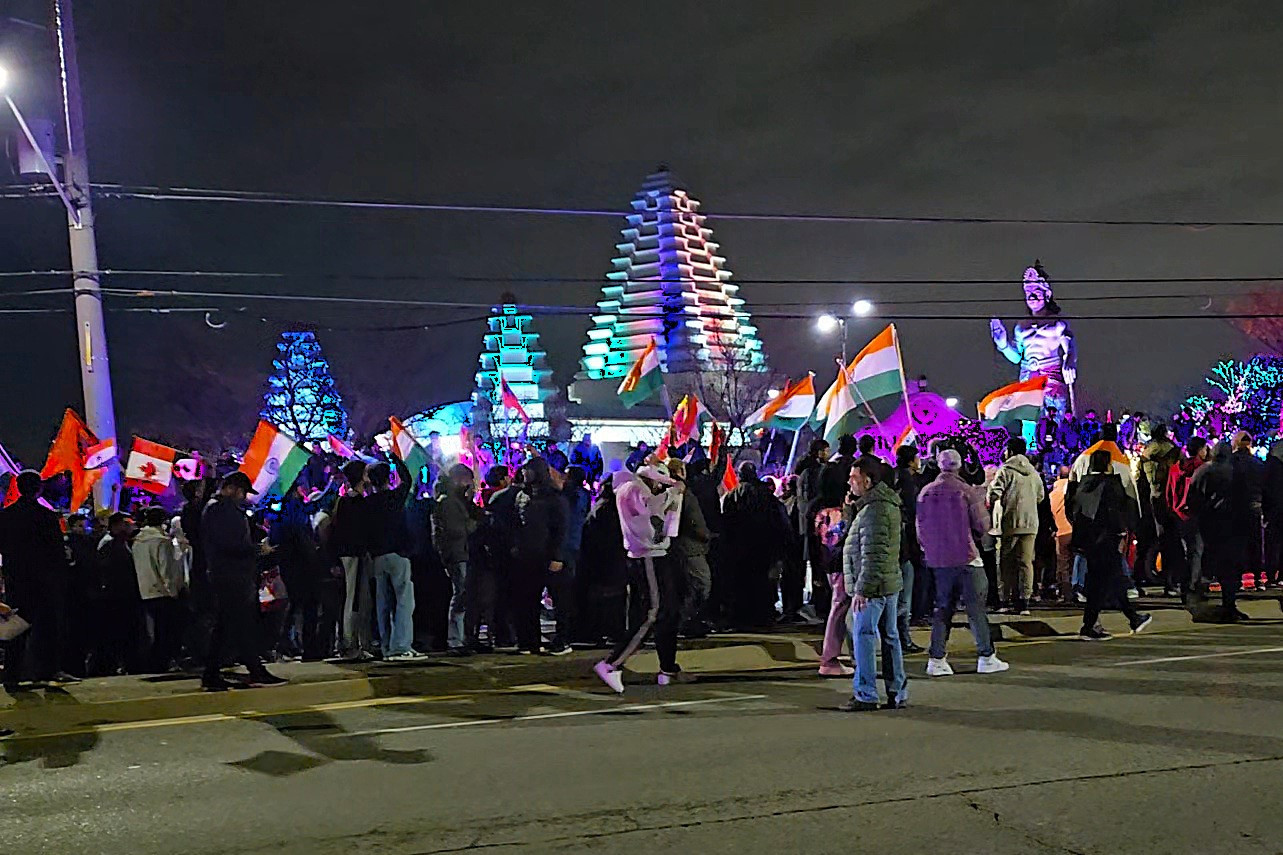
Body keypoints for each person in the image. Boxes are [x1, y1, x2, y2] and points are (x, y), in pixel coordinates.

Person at [593, 462, 684, 693]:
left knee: (667, 612)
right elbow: (651, 511)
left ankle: (667, 668)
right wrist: (673, 493)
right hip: (647, 557)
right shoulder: (632, 489)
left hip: (654, 555)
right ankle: (612, 664)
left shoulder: (634, 489)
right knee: (652, 613)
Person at [917, 449, 1008, 676]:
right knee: (976, 608)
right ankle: (986, 655)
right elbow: (982, 525)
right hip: (965, 556)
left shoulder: (925, 493)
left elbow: (919, 529)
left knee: (942, 608)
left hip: (938, 559)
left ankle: (937, 659)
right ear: (959, 466)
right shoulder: (966, 491)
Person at [201, 472, 285, 690]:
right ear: (231, 488)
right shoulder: (221, 509)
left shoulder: (219, 509)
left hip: (231, 574)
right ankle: (253, 670)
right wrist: (258, 549)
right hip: (231, 575)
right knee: (239, 624)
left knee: (229, 625)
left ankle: (217, 673)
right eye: (241, 492)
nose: (243, 497)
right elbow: (229, 544)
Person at [839, 457, 908, 712]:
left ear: (867, 481)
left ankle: (866, 693)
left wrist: (862, 589)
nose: (849, 482)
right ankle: (896, 691)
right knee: (890, 636)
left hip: (875, 586)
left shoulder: (875, 510)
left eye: (853, 478)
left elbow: (873, 553)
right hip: (887, 581)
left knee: (864, 636)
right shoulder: (878, 506)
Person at [0, 471, 74, 690]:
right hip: (44, 579)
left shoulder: (5, 516)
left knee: (16, 627)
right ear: (38, 488)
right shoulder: (46, 516)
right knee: (47, 627)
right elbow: (56, 551)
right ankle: (46, 671)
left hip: (16, 578)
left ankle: (12, 676)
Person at [1072, 449, 1151, 640]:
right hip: (1107, 538)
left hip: (1089, 540)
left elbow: (1074, 509)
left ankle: (1128, 618)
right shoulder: (1111, 485)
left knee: (1104, 580)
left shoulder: (1084, 485)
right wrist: (1123, 531)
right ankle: (1093, 625)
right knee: (1110, 579)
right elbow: (1119, 511)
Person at [721, 462, 791, 628]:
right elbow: (779, 521)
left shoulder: (733, 495)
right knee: (763, 583)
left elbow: (727, 522)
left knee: (743, 583)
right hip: (764, 546)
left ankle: (743, 617)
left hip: (740, 547)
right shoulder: (766, 496)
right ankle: (763, 616)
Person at [511, 457, 569, 655]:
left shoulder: (554, 498)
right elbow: (517, 524)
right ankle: (529, 641)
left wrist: (557, 556)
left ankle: (562, 640)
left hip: (548, 555)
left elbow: (561, 529)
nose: (526, 474)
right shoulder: (521, 496)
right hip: (526, 556)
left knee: (559, 600)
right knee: (526, 599)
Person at [367, 457, 421, 661]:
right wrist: (396, 459)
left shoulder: (368, 503)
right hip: (398, 553)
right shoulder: (394, 497)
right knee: (404, 601)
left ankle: (388, 646)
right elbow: (407, 480)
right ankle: (402, 645)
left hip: (378, 556)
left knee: (383, 604)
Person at [987, 436, 1045, 614]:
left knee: (1006, 562)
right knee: (1026, 562)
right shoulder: (1034, 473)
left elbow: (994, 494)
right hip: (1031, 523)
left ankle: (1005, 600)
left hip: (1011, 520)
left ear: (1009, 451)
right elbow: (1040, 496)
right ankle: (1024, 601)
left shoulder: (1005, 471)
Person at [432, 463, 480, 655]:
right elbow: (457, 530)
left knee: (462, 595)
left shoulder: (454, 501)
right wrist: (473, 523)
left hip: (459, 553)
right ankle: (455, 641)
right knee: (459, 596)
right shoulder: (448, 503)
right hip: (456, 554)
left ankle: (460, 638)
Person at [132, 506, 187, 673]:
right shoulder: (161, 541)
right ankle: (160, 663)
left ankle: (153, 663)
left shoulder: (138, 541)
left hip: (145, 588)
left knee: (154, 630)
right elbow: (166, 569)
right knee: (165, 630)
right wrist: (174, 591)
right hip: (162, 591)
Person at [330, 460, 373, 661]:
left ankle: (352, 642)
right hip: (353, 555)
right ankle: (350, 643)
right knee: (353, 599)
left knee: (353, 598)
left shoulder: (345, 501)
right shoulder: (354, 502)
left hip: (349, 554)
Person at [666, 458, 713, 635]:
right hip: (690, 547)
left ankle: (685, 621)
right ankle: (687, 622)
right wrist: (706, 536)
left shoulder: (667, 490)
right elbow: (694, 519)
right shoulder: (682, 492)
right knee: (700, 584)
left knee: (685, 587)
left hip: (676, 547)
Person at [548, 464, 591, 654]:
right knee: (567, 593)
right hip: (575, 547)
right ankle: (570, 633)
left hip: (565, 550)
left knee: (562, 596)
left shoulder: (568, 497)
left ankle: (563, 637)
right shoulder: (583, 496)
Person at [94, 512, 143, 676]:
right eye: (125, 523)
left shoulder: (121, 543)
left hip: (124, 595)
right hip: (116, 597)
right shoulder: (109, 545)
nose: (129, 526)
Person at [1140, 425, 1182, 596]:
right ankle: (1172, 582)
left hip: (1153, 499)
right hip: (1168, 501)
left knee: (1160, 541)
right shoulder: (1169, 451)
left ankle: (1165, 580)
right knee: (1172, 543)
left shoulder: (1147, 455)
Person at [892, 445, 924, 651]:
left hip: (900, 546)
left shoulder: (895, 479)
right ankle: (902, 638)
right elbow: (915, 513)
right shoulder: (908, 483)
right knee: (904, 597)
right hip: (906, 547)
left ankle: (900, 637)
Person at [1168, 436, 1209, 598]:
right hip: (1196, 514)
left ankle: (1181, 582)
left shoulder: (1175, 468)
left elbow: (1169, 493)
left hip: (1178, 515)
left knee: (1183, 551)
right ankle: (1192, 585)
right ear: (1200, 451)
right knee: (1197, 551)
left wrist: (1173, 510)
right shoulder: (1203, 468)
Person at [1229, 431, 1266, 592]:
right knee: (1255, 544)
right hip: (1254, 507)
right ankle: (1257, 579)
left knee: (1236, 545)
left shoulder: (1230, 463)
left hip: (1235, 509)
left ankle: (1237, 579)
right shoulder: (1258, 464)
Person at [1048, 465, 1076, 604]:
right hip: (1075, 530)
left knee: (1063, 565)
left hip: (1061, 532)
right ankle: (1078, 589)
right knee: (1076, 562)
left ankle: (1066, 594)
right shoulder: (1074, 490)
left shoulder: (1052, 495)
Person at [1264, 438, 1283, 588]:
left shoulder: (1270, 467)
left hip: (1273, 510)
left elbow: (1266, 491)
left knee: (1272, 543)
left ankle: (1271, 575)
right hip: (1277, 508)